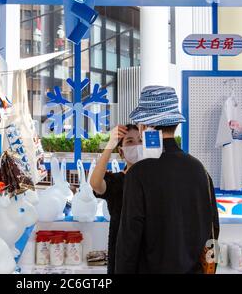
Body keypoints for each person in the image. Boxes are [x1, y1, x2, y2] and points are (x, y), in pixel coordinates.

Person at [115, 86, 220, 274]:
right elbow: (213, 230)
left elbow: (129, 241)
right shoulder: (199, 170)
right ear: (175, 124)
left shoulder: (138, 173)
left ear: (145, 126)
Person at [89, 124, 142, 274]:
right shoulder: (116, 181)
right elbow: (95, 183)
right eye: (130, 142)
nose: (137, 146)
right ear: (121, 151)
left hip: (148, 253)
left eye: (140, 141)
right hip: (121, 256)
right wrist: (110, 144)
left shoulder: (154, 181)